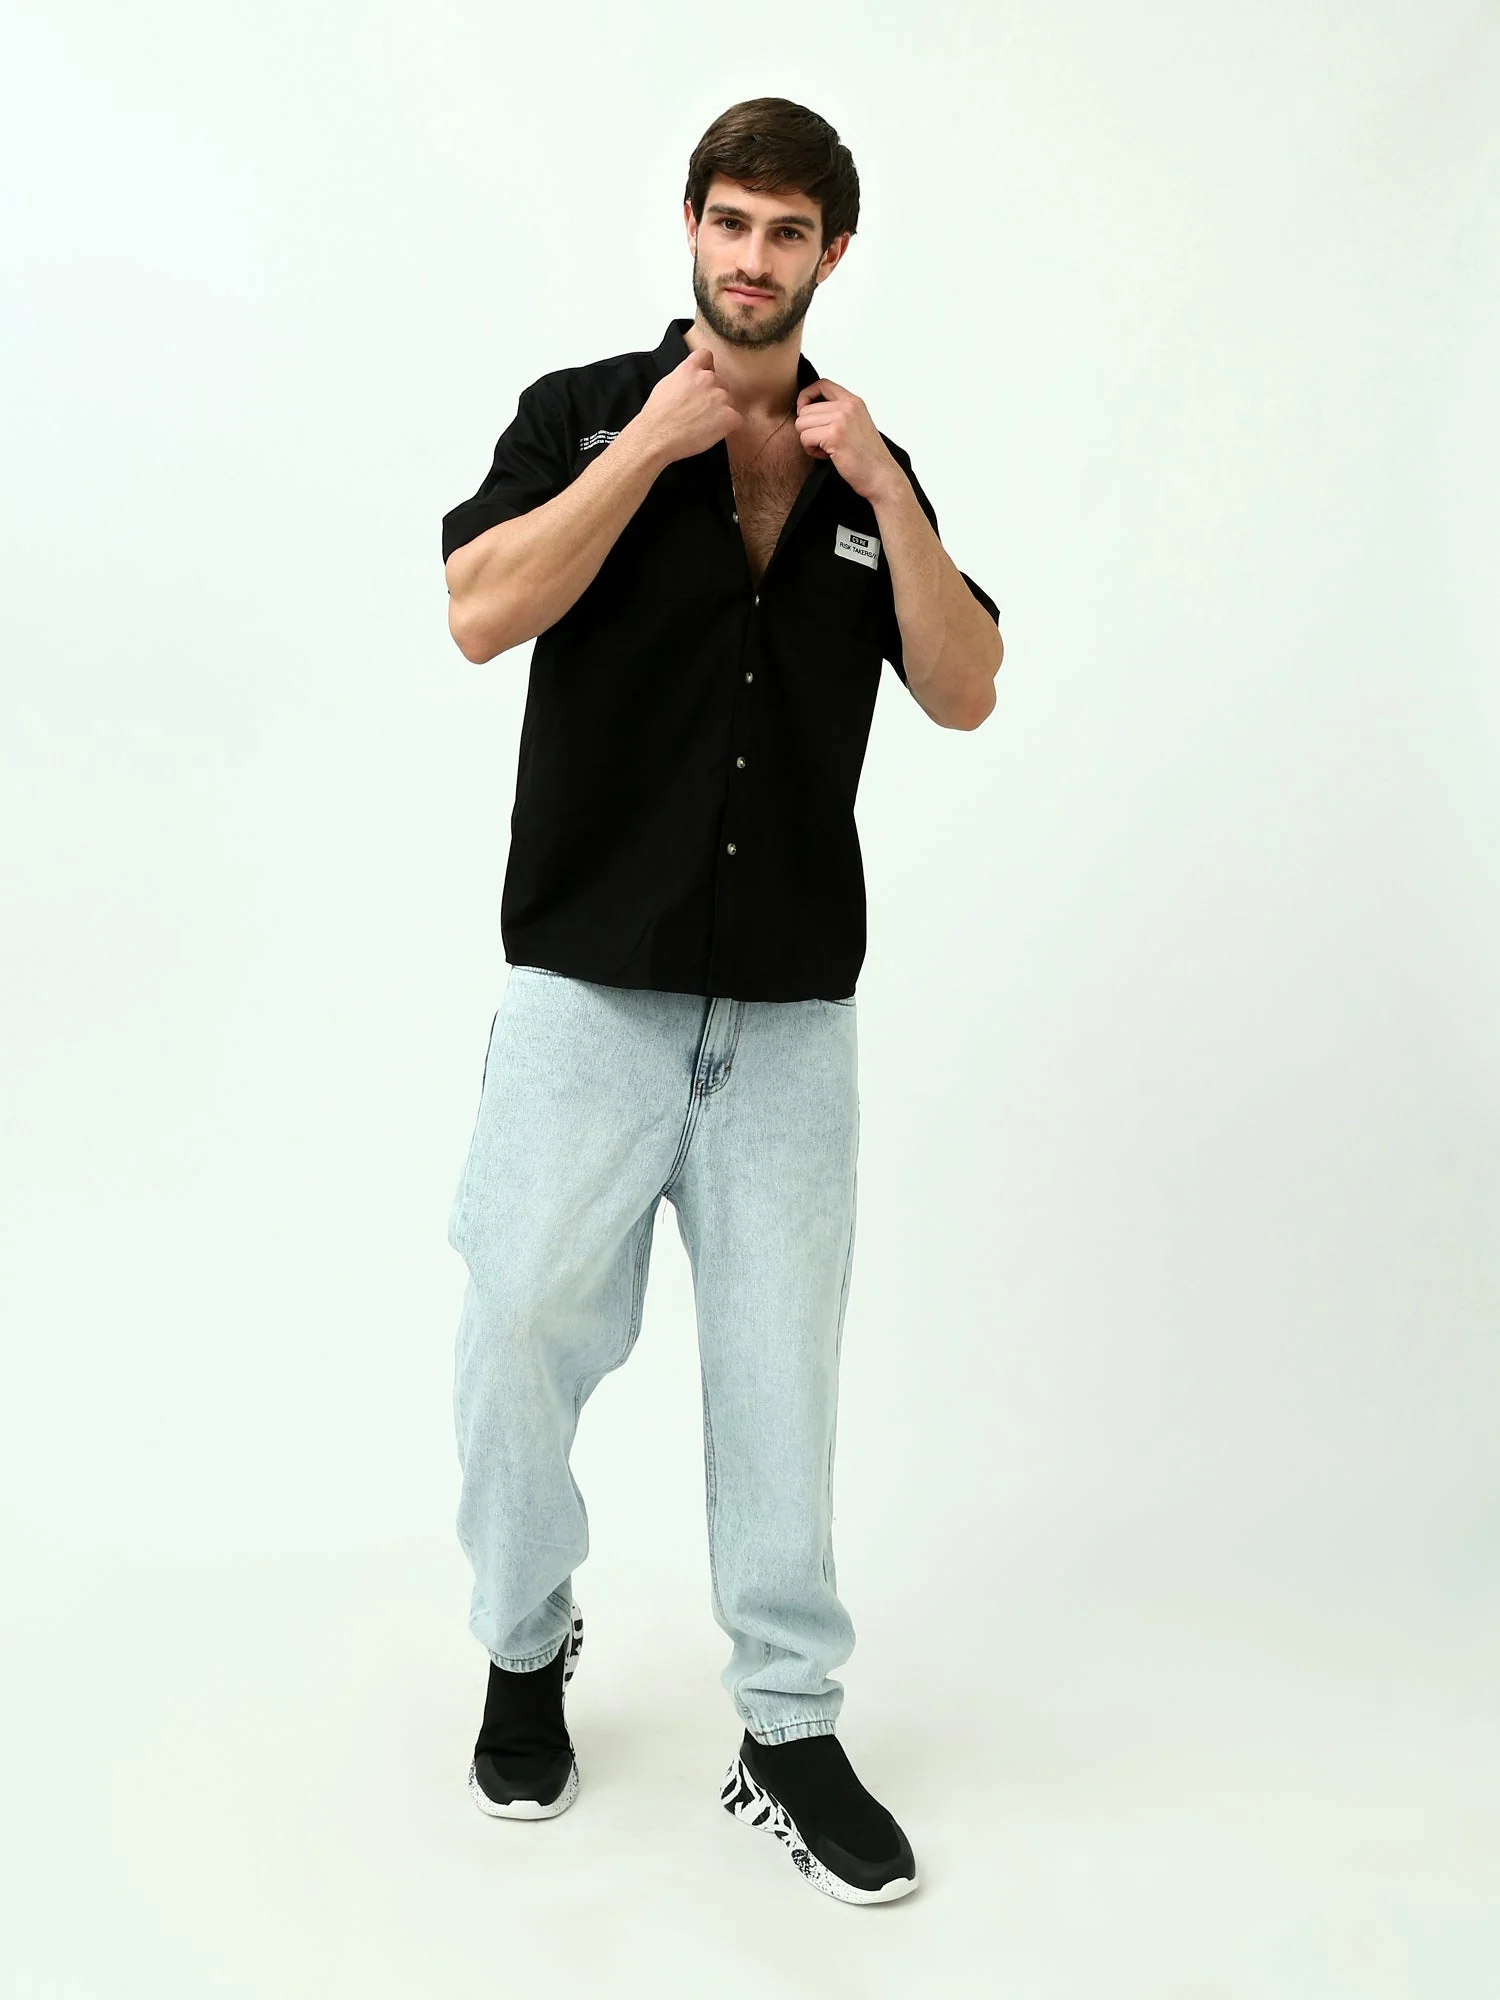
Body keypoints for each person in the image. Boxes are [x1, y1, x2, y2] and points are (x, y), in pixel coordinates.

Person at [439, 95, 1003, 1906]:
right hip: (586, 990)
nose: (754, 260)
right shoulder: (582, 414)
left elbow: (967, 684)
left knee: (779, 1377)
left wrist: (888, 492)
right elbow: (478, 609)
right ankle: (524, 1642)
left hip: (787, 1018)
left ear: (834, 253)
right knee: (518, 1319)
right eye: (732, 223)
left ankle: (788, 1725)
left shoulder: (865, 470)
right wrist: (652, 453)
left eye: (788, 233)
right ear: (691, 225)